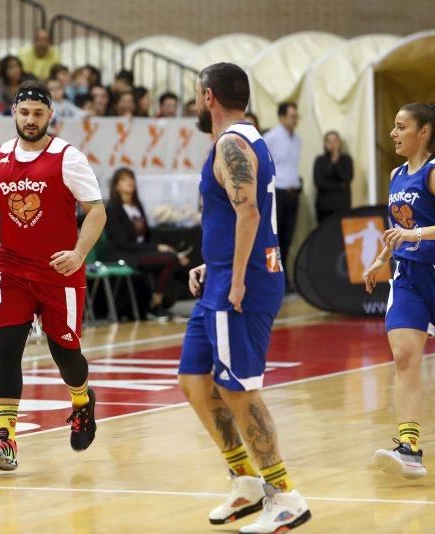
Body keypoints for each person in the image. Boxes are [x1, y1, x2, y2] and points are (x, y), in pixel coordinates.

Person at [0, 79, 106, 471]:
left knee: (65, 354)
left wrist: (79, 252)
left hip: (58, 270)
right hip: (12, 268)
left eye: (38, 113)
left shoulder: (68, 157)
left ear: (51, 116)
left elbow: (96, 210)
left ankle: (82, 401)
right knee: (8, 347)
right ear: (13, 113)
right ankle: (6, 438)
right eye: (24, 112)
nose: (31, 120)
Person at [176, 63, 311, 532]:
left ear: (208, 96)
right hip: (221, 275)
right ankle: (245, 481)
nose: (196, 102)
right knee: (194, 380)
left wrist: (234, 279)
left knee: (236, 388)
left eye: (197, 94)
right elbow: (234, 217)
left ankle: (284, 493)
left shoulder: (232, 142)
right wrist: (213, 264)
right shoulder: (242, 139)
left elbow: (249, 212)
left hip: (244, 282)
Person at [364, 103, 435, 480]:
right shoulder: (395, 174)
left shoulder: (432, 173)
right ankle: (410, 448)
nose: (393, 133)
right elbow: (397, 227)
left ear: (423, 132)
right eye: (393, 126)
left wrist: (415, 234)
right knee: (405, 355)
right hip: (408, 276)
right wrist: (381, 258)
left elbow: (413, 229)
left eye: (400, 126)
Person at [105, 167, 189, 319]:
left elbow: (147, 237)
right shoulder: (112, 209)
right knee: (169, 259)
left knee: (178, 261)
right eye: (124, 179)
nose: (130, 182)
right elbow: (123, 243)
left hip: (140, 251)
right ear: (116, 186)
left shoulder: (137, 206)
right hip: (124, 254)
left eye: (131, 178)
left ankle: (161, 302)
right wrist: (158, 248)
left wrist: (170, 251)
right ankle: (154, 304)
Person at [263, 102, 301, 276]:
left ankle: (283, 277)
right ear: (282, 117)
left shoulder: (297, 139)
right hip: (276, 192)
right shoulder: (270, 137)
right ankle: (272, 274)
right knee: (273, 236)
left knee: (288, 237)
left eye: (296, 117)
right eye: (292, 116)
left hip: (293, 193)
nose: (295, 120)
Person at [313, 130, 353, 222]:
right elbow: (319, 183)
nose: (332, 144)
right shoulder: (320, 160)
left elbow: (347, 178)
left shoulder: (346, 159)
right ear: (325, 144)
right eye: (329, 141)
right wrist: (340, 186)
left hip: (342, 206)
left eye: (335, 141)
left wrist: (335, 163)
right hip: (324, 207)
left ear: (339, 143)